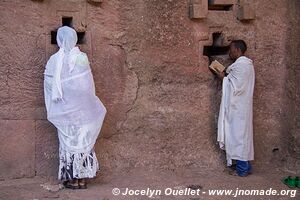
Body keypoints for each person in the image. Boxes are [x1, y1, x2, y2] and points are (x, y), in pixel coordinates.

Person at [43, 26, 107, 188]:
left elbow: (50, 86)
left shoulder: (53, 60)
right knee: (83, 141)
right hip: (82, 110)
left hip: (64, 111)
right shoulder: (81, 58)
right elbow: (86, 86)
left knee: (68, 143)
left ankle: (72, 179)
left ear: (59, 39)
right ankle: (82, 179)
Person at [217, 40, 255, 177]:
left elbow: (235, 88)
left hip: (239, 109)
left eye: (231, 49)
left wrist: (223, 78)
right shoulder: (244, 66)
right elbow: (237, 84)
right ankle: (245, 167)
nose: (229, 52)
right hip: (240, 108)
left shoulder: (242, 66)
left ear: (238, 50)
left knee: (239, 137)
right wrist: (226, 78)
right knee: (240, 137)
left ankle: (242, 170)